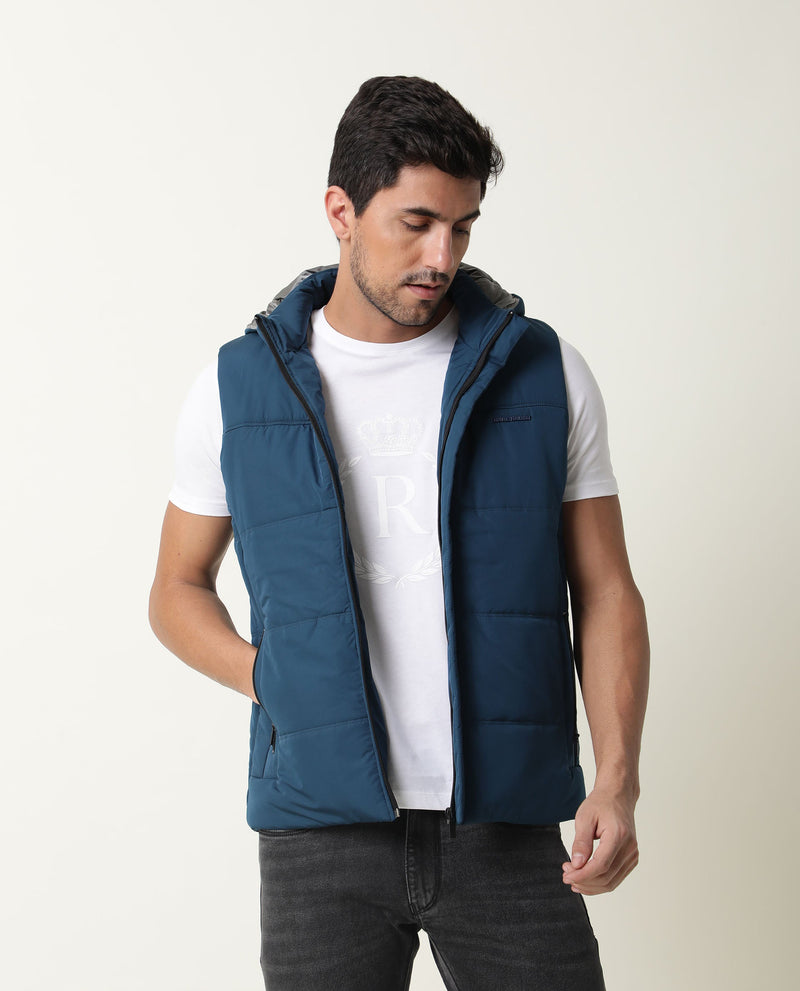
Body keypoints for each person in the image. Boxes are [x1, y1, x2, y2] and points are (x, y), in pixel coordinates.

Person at [149, 75, 649, 991]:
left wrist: (616, 779)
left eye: (462, 227)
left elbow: (606, 586)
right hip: (319, 834)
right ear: (341, 211)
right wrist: (268, 677)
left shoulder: (544, 373)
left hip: (508, 826)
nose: (441, 255)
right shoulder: (238, 387)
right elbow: (176, 587)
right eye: (415, 223)